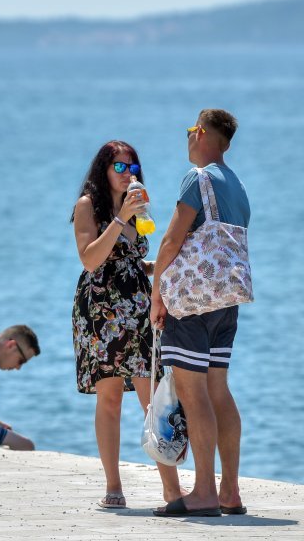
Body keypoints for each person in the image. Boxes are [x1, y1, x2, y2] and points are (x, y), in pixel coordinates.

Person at [71, 140, 183, 509]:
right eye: (119, 168)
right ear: (103, 170)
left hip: (138, 310)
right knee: (110, 399)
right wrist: (119, 219)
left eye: (132, 168)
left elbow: (135, 259)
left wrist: (162, 269)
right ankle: (114, 488)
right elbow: (90, 259)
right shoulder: (89, 206)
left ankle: (172, 491)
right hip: (101, 312)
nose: (127, 175)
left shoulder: (138, 205)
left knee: (154, 396)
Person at [151, 109, 250, 518]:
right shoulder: (238, 186)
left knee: (193, 394)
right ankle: (229, 491)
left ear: (204, 134)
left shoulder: (199, 178)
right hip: (226, 301)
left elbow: (173, 238)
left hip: (191, 302)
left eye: (191, 130)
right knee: (218, 390)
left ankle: (204, 492)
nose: (188, 138)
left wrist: (157, 294)